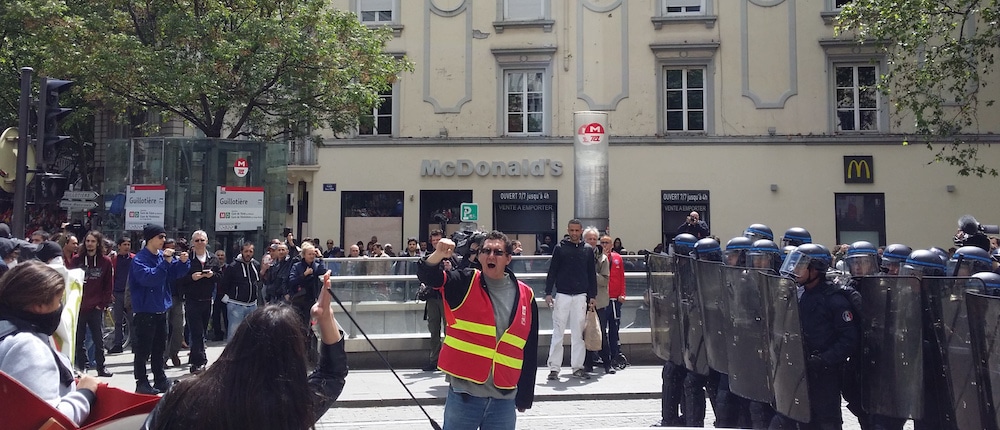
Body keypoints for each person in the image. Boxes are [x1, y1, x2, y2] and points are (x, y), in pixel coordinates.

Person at [142, 273, 348, 430]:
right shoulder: (292, 406)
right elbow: (332, 374)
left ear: (238, 343)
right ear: (293, 356)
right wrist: (325, 317)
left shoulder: (184, 392)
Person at [416, 232, 538, 430]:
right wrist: (437, 255)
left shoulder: (526, 294)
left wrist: (525, 396)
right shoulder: (464, 281)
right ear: (479, 256)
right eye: (486, 251)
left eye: (498, 252)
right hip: (465, 397)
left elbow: (529, 347)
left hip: (504, 399)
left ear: (508, 258)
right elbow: (429, 276)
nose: (491, 256)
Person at [0, 261, 101, 426]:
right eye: (59, 300)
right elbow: (48, 420)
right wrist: (85, 393)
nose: (60, 306)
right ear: (39, 305)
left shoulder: (7, 333)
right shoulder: (27, 347)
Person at [772, 243, 859, 429]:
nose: (795, 270)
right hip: (800, 372)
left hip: (825, 375)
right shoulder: (799, 294)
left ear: (815, 269)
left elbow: (849, 340)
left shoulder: (835, 300)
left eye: (801, 266)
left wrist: (823, 359)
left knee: (825, 422)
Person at [130, 224, 191, 395]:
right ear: (150, 238)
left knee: (159, 348)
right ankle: (141, 381)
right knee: (143, 350)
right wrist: (165, 262)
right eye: (160, 237)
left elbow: (174, 273)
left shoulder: (160, 257)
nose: (164, 241)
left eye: (164, 237)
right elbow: (149, 278)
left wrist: (184, 263)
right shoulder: (140, 259)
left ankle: (160, 379)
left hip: (160, 309)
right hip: (145, 311)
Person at [544, 219, 597, 380]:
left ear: (581, 231)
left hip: (581, 296)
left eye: (576, 230)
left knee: (578, 334)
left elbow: (591, 274)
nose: (574, 233)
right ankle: (554, 368)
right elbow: (552, 271)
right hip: (562, 295)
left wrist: (592, 296)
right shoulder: (559, 248)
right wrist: (548, 292)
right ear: (568, 230)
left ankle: (577, 367)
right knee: (558, 332)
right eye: (571, 230)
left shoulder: (587, 250)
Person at [71, 230, 114, 377]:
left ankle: (101, 367)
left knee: (98, 338)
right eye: (88, 241)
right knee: (79, 338)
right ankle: (83, 366)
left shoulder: (105, 261)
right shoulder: (76, 260)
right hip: (80, 306)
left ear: (98, 243)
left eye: (93, 241)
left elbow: (108, 285)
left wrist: (101, 304)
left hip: (96, 306)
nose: (90, 244)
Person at [177, 230, 220, 374]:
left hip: (207, 300)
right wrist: (191, 278)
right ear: (192, 243)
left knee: (202, 331)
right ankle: (200, 361)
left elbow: (220, 277)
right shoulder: (188, 259)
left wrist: (212, 275)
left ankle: (195, 359)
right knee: (197, 332)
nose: (200, 243)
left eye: (202, 240)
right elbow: (180, 279)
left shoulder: (213, 258)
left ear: (207, 242)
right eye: (197, 241)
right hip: (192, 300)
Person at [582, 227, 614, 374]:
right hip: (582, 300)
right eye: (589, 239)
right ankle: (587, 364)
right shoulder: (579, 255)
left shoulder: (603, 258)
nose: (592, 242)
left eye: (595, 239)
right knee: (584, 333)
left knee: (601, 332)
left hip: (600, 301)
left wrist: (590, 273)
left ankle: (607, 363)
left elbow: (605, 280)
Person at [220, 242, 261, 341]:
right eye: (246, 251)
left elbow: (257, 281)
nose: (248, 254)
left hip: (252, 305)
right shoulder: (233, 266)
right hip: (236, 305)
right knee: (234, 334)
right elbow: (224, 284)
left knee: (251, 334)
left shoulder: (256, 265)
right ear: (241, 251)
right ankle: (231, 356)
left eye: (250, 251)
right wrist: (228, 299)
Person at [421, 229, 449, 371]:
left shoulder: (450, 257)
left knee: (449, 331)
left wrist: (450, 268)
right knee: (434, 330)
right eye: (434, 241)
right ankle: (435, 360)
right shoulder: (428, 257)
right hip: (432, 297)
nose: (436, 243)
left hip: (446, 298)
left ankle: (448, 361)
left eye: (438, 241)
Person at [287, 242, 328, 328]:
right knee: (298, 324)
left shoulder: (316, 265)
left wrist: (320, 257)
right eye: (309, 254)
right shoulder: (297, 266)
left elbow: (323, 271)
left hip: (312, 299)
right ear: (304, 255)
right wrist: (304, 275)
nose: (312, 256)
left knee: (310, 325)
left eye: (313, 254)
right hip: (299, 300)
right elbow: (292, 281)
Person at [108, 237, 134, 354]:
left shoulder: (134, 259)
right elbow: (110, 276)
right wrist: (111, 291)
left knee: (133, 319)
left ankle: (135, 344)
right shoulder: (114, 260)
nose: (127, 246)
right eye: (124, 244)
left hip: (131, 293)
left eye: (128, 244)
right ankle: (118, 344)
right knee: (118, 320)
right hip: (118, 292)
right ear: (119, 246)